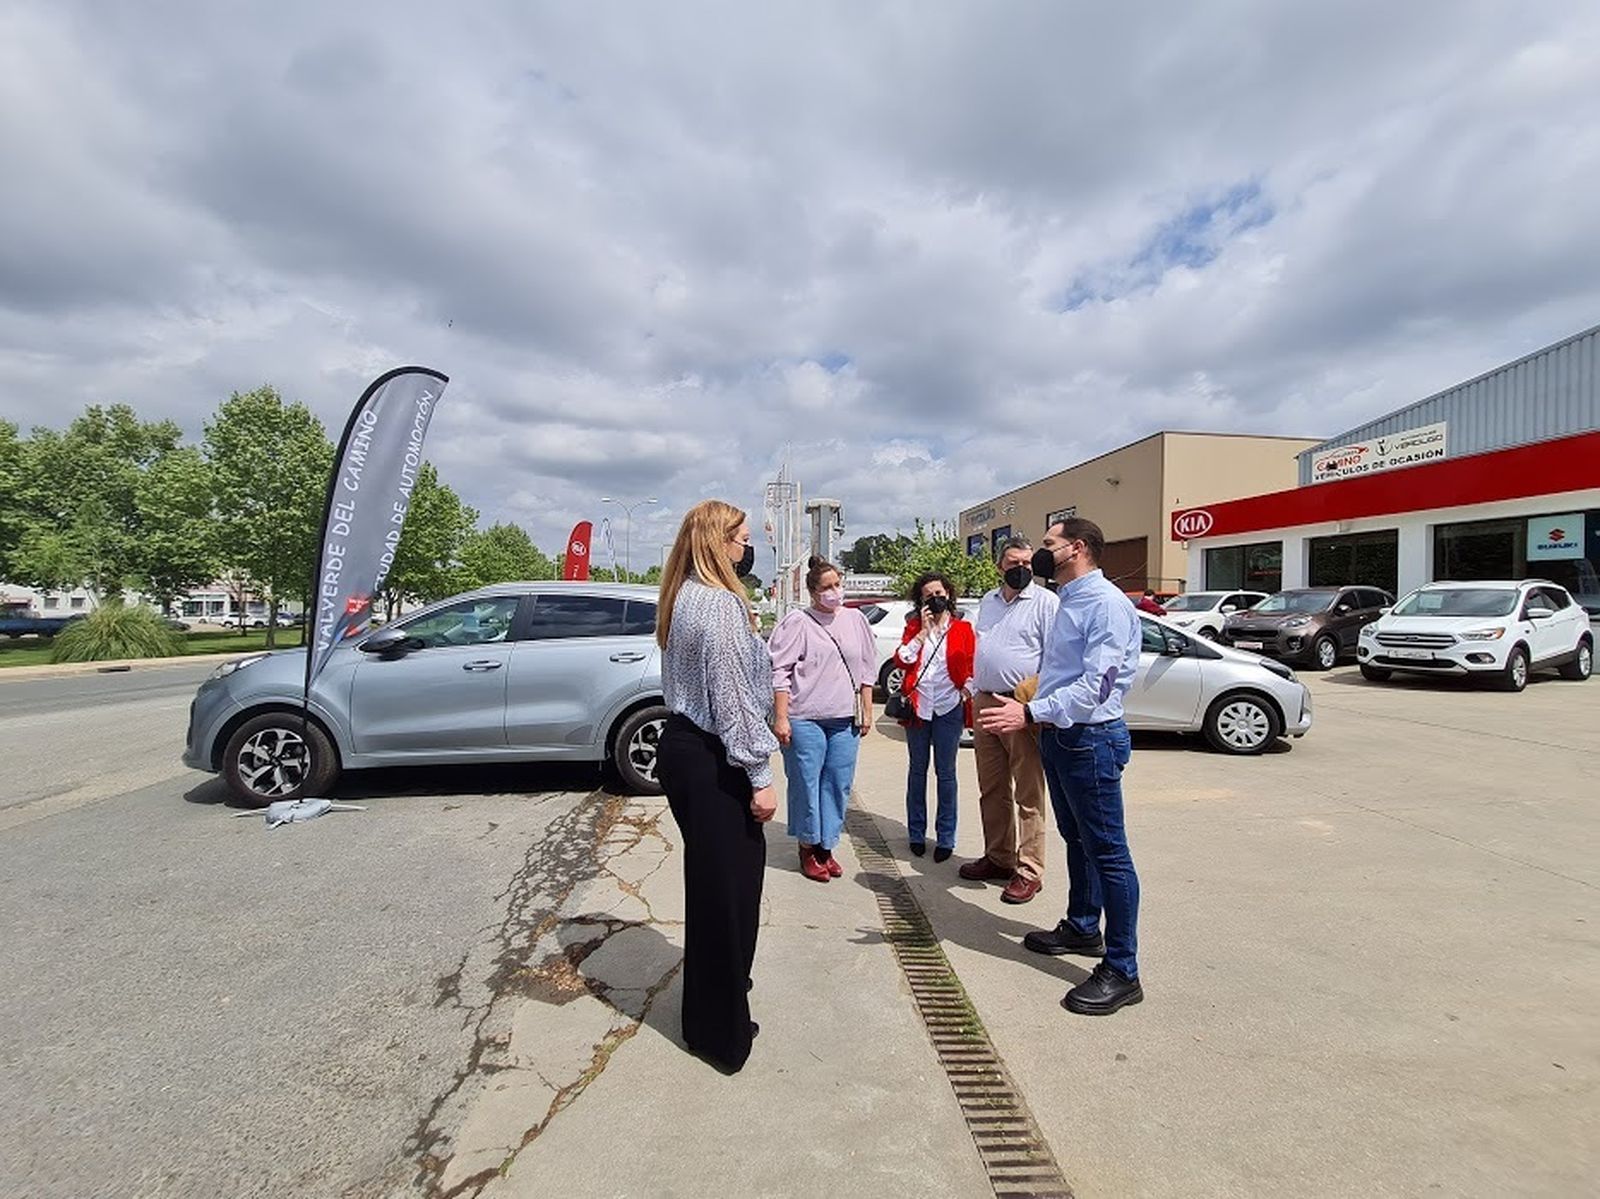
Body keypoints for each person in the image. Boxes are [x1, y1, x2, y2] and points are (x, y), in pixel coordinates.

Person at [978, 517, 1145, 1016]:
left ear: (1076, 548)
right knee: (1078, 840)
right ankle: (1081, 926)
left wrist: (1028, 711)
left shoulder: (1107, 605)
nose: (1041, 555)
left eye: (1048, 545)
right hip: (1061, 737)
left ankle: (1123, 969)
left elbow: (1097, 687)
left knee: (1109, 852)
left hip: (1090, 740)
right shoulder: (1070, 600)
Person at [656, 500, 779, 1072]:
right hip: (714, 758)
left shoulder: (681, 596)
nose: (748, 549)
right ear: (719, 542)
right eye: (743, 539)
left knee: (711, 893)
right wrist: (760, 774)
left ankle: (710, 1016)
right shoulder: (721, 604)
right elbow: (731, 701)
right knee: (731, 899)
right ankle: (722, 1032)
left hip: (684, 751)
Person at [962, 536, 1059, 904]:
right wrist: (971, 691)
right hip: (985, 702)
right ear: (1000, 566)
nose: (1022, 569)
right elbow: (976, 649)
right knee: (992, 787)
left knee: (1028, 791)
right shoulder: (987, 602)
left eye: (1028, 564)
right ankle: (999, 856)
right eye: (1014, 562)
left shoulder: (1046, 603)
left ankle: (1029, 869)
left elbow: (1054, 659)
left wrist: (1032, 704)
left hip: (1019, 706)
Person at [769, 557, 876, 883]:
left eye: (837, 585)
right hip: (805, 718)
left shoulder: (856, 619)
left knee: (837, 784)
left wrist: (867, 710)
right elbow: (780, 672)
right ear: (813, 592)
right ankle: (807, 845)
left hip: (844, 719)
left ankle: (827, 846)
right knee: (805, 783)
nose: (834, 592)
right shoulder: (797, 622)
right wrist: (781, 717)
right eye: (827, 587)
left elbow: (867, 668)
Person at [894, 571, 974, 862]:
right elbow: (902, 659)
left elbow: (970, 664)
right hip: (919, 708)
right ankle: (916, 833)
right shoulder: (915, 627)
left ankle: (945, 837)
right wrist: (921, 634)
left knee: (947, 774)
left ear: (949, 595)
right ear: (921, 601)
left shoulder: (963, 629)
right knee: (917, 772)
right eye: (929, 596)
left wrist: (967, 688)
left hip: (948, 708)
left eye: (940, 594)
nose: (936, 599)